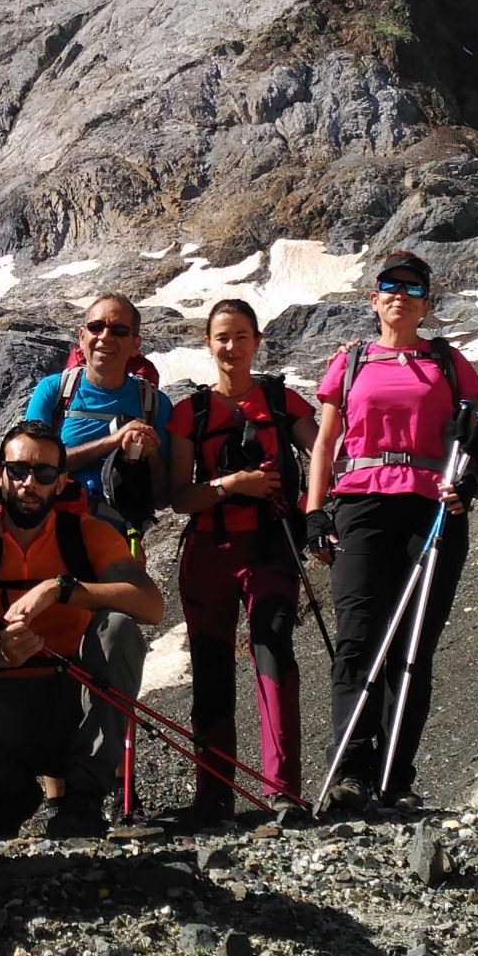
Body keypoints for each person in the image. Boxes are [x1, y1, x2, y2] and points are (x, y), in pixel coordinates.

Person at [302, 251, 478, 813]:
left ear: (427, 304)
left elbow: (476, 438)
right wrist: (315, 512)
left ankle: (395, 774)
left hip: (432, 507)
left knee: (413, 645)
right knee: (358, 639)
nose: (400, 295)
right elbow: (325, 443)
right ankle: (353, 769)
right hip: (361, 504)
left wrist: (470, 482)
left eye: (413, 288)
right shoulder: (352, 360)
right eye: (390, 285)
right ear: (374, 298)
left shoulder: (449, 363)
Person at [0, 419, 164, 841]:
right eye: (18, 470)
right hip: (3, 710)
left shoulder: (90, 536)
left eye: (45, 474)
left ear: (61, 483)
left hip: (75, 708)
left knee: (118, 627)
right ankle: (9, 798)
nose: (30, 482)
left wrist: (60, 588)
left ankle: (82, 799)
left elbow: (151, 606)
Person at [165, 298, 317, 827]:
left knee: (274, 650)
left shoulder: (282, 401)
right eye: (221, 338)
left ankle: (283, 793)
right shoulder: (191, 413)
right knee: (211, 671)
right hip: (208, 555)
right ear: (208, 344)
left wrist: (318, 514)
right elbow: (178, 496)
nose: (231, 347)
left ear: (256, 341)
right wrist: (234, 484)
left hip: (271, 550)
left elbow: (324, 455)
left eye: (241, 337)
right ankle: (216, 796)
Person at [23, 293, 172, 544]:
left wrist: (152, 454)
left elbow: (163, 498)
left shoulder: (155, 404)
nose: (105, 336)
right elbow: (30, 467)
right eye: (96, 327)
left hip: (119, 541)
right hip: (50, 537)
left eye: (119, 330)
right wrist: (113, 442)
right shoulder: (53, 390)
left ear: (136, 344)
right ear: (82, 336)